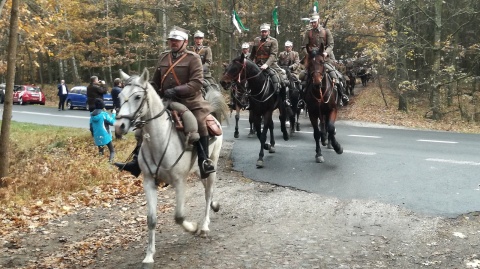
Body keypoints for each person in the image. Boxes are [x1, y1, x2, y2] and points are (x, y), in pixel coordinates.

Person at [114, 26, 215, 179]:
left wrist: (176, 90)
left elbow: (196, 83)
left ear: (185, 42)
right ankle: (135, 162)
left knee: (199, 122)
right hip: (165, 100)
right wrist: (146, 90)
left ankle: (204, 161)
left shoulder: (193, 58)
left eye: (177, 40)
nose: (173, 43)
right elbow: (155, 82)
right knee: (143, 125)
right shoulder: (163, 57)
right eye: (171, 40)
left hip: (189, 101)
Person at [303, 12, 349, 106]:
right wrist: (309, 54)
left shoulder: (326, 31)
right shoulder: (308, 33)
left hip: (324, 59)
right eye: (311, 22)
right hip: (312, 60)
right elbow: (303, 46)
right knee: (302, 77)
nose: (313, 24)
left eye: (314, 22)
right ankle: (301, 100)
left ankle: (342, 95)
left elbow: (331, 44)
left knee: (336, 76)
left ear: (318, 21)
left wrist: (326, 52)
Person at [249, 23, 289, 105]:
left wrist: (266, 64)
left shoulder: (273, 41)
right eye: (262, 31)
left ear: (268, 32)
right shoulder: (256, 40)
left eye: (265, 32)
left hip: (270, 65)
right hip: (257, 65)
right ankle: (246, 100)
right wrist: (248, 64)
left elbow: (273, 55)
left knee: (282, 80)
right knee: (246, 79)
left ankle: (284, 100)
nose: (263, 33)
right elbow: (252, 55)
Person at [90, 98, 116, 163]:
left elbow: (91, 127)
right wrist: (114, 114)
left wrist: (93, 135)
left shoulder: (92, 116)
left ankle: (100, 165)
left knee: (101, 152)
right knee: (112, 151)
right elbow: (112, 122)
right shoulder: (104, 115)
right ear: (102, 105)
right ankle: (110, 164)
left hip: (97, 137)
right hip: (106, 135)